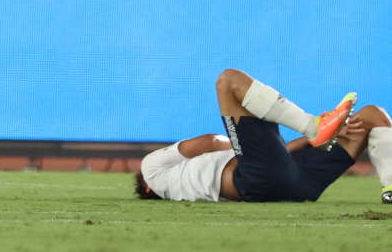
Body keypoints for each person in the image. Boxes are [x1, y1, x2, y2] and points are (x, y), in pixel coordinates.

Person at [133, 69, 392, 203]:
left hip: (291, 186)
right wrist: (239, 141)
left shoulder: (185, 188)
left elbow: (276, 159)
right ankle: (312, 124)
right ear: (146, 186)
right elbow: (208, 141)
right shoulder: (150, 169)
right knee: (228, 80)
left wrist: (326, 137)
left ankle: (390, 190)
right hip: (264, 179)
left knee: (368, 116)